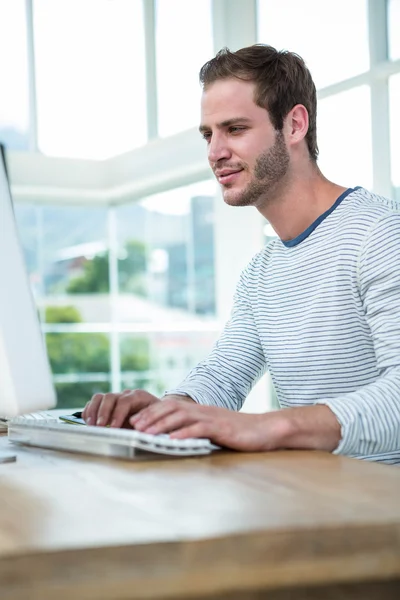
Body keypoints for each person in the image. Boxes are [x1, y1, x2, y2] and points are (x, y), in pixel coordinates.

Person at [83, 44, 400, 464]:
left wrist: (269, 425)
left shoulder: (381, 234)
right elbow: (224, 374)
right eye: (208, 134)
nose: (214, 152)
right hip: (317, 500)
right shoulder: (262, 272)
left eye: (234, 129)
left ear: (294, 125)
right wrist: (167, 410)